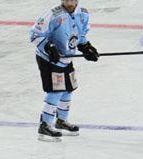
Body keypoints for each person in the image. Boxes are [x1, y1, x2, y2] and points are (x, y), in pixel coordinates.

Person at [30, 0, 98, 141]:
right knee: (56, 91)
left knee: (68, 89)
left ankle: (61, 121)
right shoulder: (53, 14)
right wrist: (49, 47)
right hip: (49, 59)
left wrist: (86, 47)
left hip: (66, 58)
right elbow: (35, 34)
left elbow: (80, 35)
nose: (69, 1)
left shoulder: (83, 14)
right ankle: (45, 125)